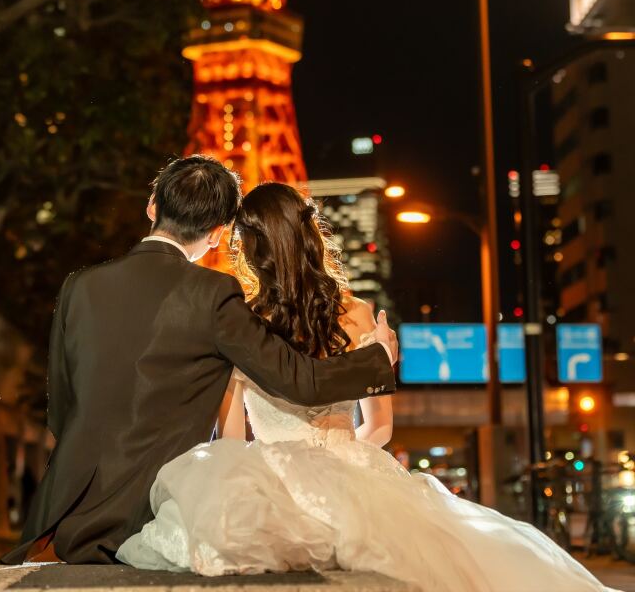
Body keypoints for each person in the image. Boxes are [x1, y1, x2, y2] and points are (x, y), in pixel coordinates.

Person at [119, 182, 619, 592]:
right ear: (310, 235)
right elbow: (380, 428)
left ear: (249, 248)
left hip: (269, 485)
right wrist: (335, 463)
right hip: (358, 477)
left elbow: (230, 443)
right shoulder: (359, 316)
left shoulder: (241, 326)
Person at [0, 156, 397, 565]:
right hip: (149, 509)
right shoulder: (215, 295)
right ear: (218, 233)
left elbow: (61, 408)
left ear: (153, 205)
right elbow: (297, 380)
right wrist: (377, 359)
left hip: (67, 513)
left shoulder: (79, 286)